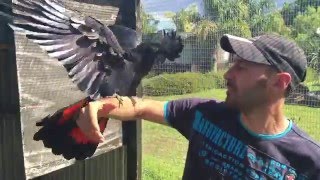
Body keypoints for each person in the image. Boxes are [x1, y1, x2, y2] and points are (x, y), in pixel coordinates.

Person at [77, 34, 320, 179]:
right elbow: (140, 107)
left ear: (279, 82)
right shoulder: (204, 115)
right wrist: (99, 106)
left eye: (242, 67)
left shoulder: (310, 161)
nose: (227, 74)